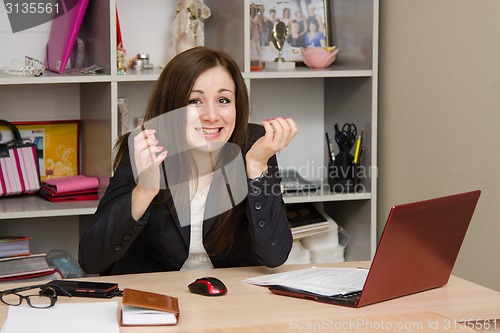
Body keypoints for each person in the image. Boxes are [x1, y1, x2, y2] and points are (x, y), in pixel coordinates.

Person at [79, 47, 298, 275]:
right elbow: (91, 260)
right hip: (156, 299)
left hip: (228, 300)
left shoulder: (255, 148)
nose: (211, 116)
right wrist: (144, 190)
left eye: (223, 100)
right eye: (195, 101)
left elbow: (274, 256)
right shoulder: (145, 147)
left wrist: (257, 168)